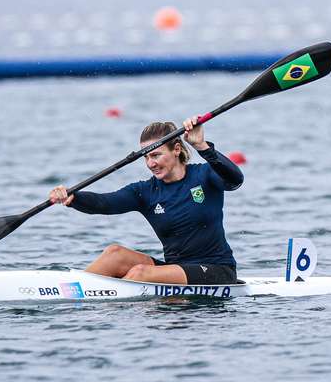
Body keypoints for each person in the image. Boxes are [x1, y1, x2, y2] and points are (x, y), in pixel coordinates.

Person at [49, 116, 243, 285]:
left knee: (140, 273)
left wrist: (202, 146)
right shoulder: (145, 192)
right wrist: (73, 196)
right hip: (175, 269)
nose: (151, 164)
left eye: (156, 155)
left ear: (176, 149)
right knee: (114, 253)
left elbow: (235, 179)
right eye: (146, 157)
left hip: (216, 270)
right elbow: (105, 203)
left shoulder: (205, 175)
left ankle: (107, 303)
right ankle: (72, 291)